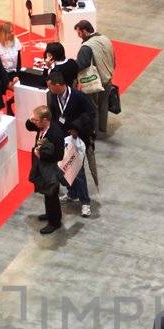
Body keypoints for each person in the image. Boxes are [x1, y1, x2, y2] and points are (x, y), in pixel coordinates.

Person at [74, 20, 116, 139]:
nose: (79, 36)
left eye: (79, 33)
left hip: (95, 82)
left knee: (92, 108)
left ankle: (94, 133)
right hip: (108, 78)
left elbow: (82, 64)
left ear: (84, 31)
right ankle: (103, 128)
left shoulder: (86, 47)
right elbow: (114, 57)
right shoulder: (105, 38)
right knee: (104, 104)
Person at [30, 104, 66, 235]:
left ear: (45, 120)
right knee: (47, 193)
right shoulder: (42, 126)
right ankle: (50, 213)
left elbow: (60, 155)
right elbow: (28, 126)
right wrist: (33, 118)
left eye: (36, 120)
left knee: (52, 195)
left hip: (51, 168)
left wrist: (41, 155)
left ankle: (54, 222)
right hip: (42, 166)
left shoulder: (55, 134)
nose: (34, 122)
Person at [58, 119, 92, 218]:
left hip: (77, 164)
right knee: (67, 179)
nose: (70, 132)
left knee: (80, 181)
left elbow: (81, 156)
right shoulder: (67, 139)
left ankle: (85, 203)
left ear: (78, 131)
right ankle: (72, 194)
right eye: (70, 130)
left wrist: (76, 166)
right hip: (67, 163)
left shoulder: (81, 143)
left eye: (73, 130)